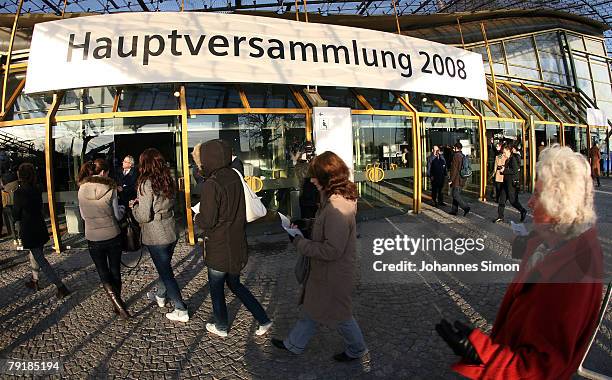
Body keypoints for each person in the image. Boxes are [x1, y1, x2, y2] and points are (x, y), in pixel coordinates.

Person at [437, 144, 603, 379]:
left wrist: (484, 354)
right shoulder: (554, 241)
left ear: (560, 206)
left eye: (538, 195)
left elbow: (541, 368)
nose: (531, 202)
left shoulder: (576, 274)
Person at [271, 151, 368, 363]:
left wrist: (299, 242)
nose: (312, 180)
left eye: (315, 176)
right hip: (327, 272)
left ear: (327, 177)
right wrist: (307, 224)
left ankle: (357, 349)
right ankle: (294, 344)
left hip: (333, 273)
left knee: (340, 314)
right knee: (311, 310)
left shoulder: (336, 207)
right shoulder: (333, 200)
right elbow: (328, 230)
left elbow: (332, 249)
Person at [193, 139, 272, 337]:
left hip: (219, 245)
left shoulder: (212, 184)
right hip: (237, 241)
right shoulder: (234, 176)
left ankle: (221, 325)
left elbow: (208, 220)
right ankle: (263, 319)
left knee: (217, 287)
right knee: (235, 284)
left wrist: (197, 216)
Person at [131, 148, 188, 323]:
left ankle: (181, 309)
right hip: (171, 228)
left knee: (165, 272)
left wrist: (134, 207)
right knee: (165, 268)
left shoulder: (145, 183)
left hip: (156, 233)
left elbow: (144, 216)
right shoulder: (167, 180)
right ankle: (161, 296)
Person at [78, 159, 130, 319]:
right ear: (103, 173)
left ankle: (117, 305)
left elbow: (82, 216)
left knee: (103, 272)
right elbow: (117, 214)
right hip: (112, 235)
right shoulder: (111, 188)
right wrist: (123, 208)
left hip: (93, 237)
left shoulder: (81, 189)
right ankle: (118, 304)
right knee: (115, 270)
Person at [14, 163, 70, 298]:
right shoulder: (37, 189)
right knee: (35, 254)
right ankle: (35, 281)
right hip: (39, 226)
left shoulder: (19, 192)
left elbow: (16, 213)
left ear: (20, 175)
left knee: (41, 259)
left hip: (29, 229)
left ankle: (61, 287)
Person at [494, 145, 527, 223]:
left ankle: (523, 211)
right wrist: (502, 169)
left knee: (513, 201)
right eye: (503, 153)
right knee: (501, 200)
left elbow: (514, 171)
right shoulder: (507, 160)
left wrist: (504, 170)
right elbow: (508, 170)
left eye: (505, 152)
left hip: (511, 184)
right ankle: (500, 217)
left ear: (509, 151)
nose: (504, 154)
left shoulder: (513, 159)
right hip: (505, 183)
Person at [294, 141, 319, 219]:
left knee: (307, 217)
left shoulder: (300, 166)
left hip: (308, 196)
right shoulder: (312, 165)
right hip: (309, 195)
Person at [449, 142, 470, 216]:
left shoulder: (456, 156)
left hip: (457, 180)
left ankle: (466, 207)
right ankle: (454, 210)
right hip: (462, 179)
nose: (453, 149)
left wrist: (451, 180)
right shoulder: (462, 155)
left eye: (454, 147)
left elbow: (454, 170)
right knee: (456, 194)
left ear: (456, 148)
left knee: (455, 195)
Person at [2, 169, 20, 246]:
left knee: (11, 222)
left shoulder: (4, 183)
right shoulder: (16, 182)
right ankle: (20, 238)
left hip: (8, 204)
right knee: (19, 221)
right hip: (16, 203)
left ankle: (15, 239)